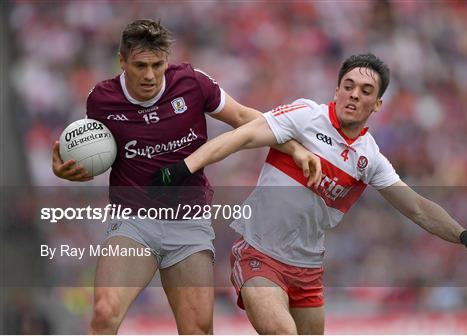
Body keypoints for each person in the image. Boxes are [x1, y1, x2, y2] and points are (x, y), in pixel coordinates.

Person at [160, 53, 467, 334]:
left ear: (377, 104)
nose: (354, 94)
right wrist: (185, 167)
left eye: (365, 90)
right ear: (337, 90)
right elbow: (243, 136)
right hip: (259, 254)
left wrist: (463, 235)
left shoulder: (370, 157)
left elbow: (417, 207)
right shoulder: (305, 116)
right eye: (348, 85)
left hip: (308, 268)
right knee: (282, 332)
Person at [51, 19, 320, 334]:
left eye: (157, 64)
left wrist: (296, 150)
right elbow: (94, 160)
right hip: (134, 221)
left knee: (197, 328)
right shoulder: (102, 99)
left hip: (188, 223)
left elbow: (246, 119)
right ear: (122, 62)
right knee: (104, 312)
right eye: (140, 65)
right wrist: (67, 172)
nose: (150, 75)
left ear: (167, 59)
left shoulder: (192, 83)